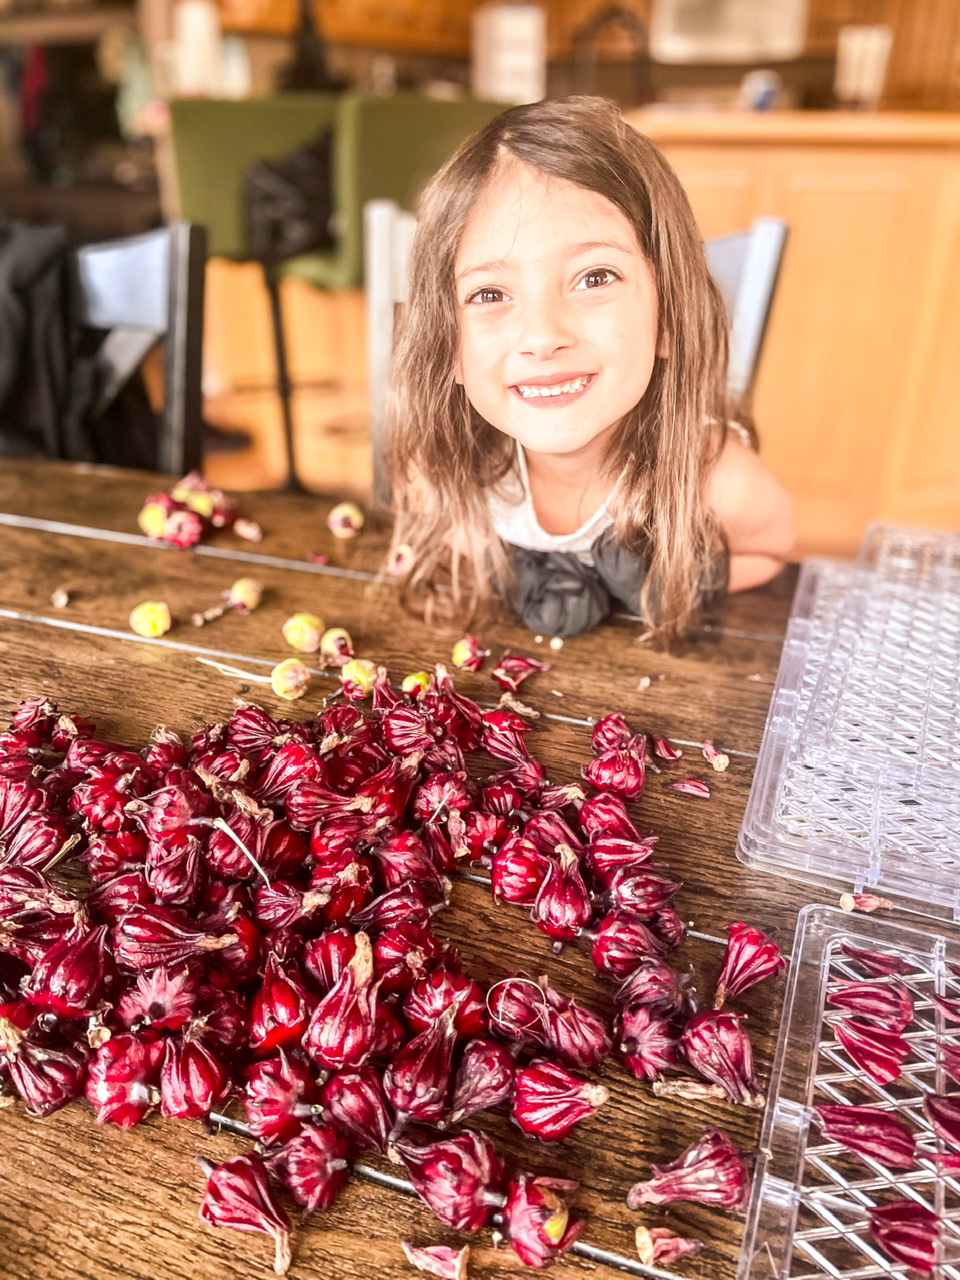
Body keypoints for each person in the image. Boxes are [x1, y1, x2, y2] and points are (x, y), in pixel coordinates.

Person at [386, 95, 794, 643]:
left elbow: (770, 553)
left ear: (668, 316)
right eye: (489, 292)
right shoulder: (444, 471)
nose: (543, 336)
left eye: (595, 277)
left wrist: (689, 578)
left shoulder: (717, 482)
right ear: (449, 348)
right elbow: (431, 544)